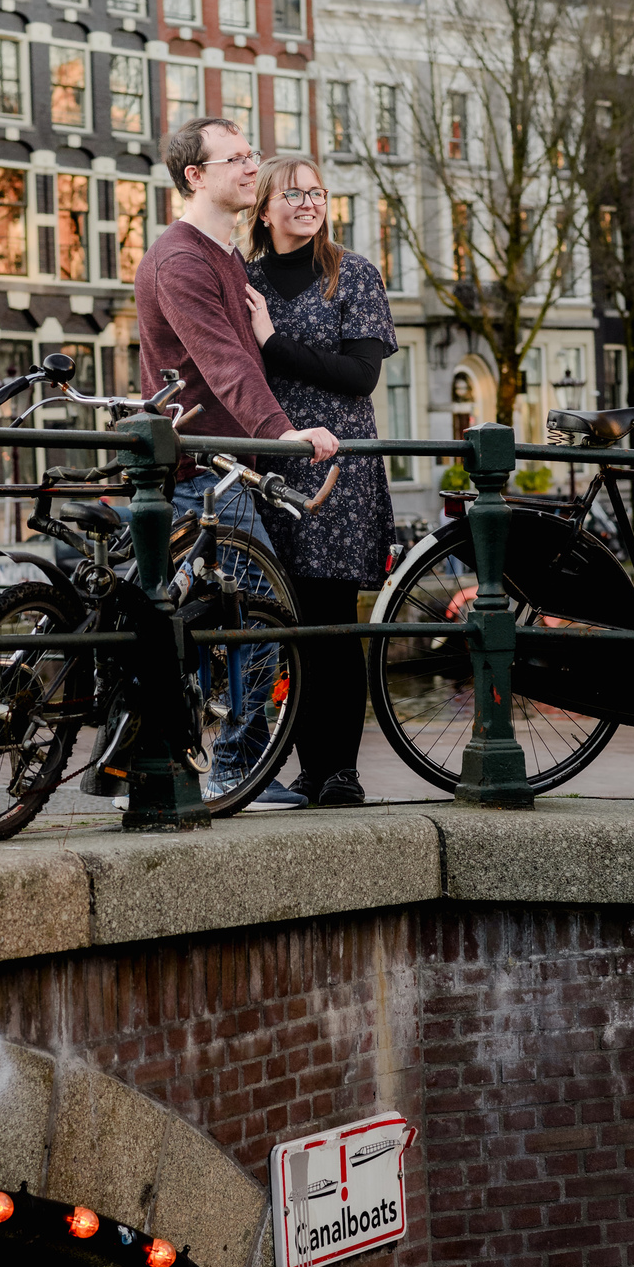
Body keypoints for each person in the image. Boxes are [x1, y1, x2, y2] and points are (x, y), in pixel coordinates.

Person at [135, 117, 339, 809]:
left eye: (252, 155)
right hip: (202, 470)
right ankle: (235, 770)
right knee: (255, 621)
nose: (253, 168)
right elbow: (221, 365)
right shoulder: (183, 260)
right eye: (236, 159)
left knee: (179, 619)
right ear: (195, 175)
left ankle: (151, 761)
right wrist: (286, 432)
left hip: (220, 464)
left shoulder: (221, 256)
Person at [244, 155, 398, 807]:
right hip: (271, 468)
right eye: (293, 193)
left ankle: (342, 770)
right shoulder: (243, 280)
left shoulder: (353, 275)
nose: (308, 203)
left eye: (317, 193)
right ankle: (307, 769)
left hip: (338, 470)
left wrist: (272, 342)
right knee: (288, 621)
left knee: (333, 620)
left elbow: (360, 376)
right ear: (263, 207)